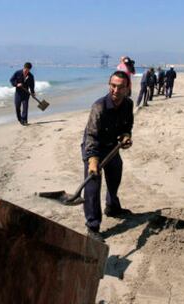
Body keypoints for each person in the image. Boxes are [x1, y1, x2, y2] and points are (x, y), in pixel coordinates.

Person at [82, 70, 134, 242]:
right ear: (109, 85)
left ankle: (112, 207)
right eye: (113, 86)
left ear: (127, 88)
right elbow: (91, 136)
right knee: (92, 186)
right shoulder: (99, 106)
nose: (116, 90)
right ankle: (93, 226)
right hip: (94, 148)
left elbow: (127, 125)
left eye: (120, 87)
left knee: (115, 177)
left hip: (112, 147)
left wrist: (126, 136)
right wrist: (92, 161)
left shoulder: (128, 104)